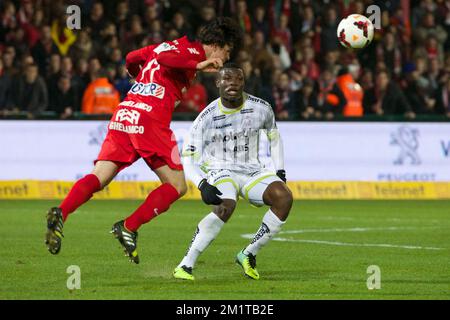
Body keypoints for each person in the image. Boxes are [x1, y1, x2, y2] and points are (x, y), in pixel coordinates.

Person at [45, 18, 243, 264]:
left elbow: (130, 58)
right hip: (150, 119)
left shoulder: (163, 46)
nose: (225, 58)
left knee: (100, 176)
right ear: (216, 45)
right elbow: (166, 61)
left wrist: (142, 81)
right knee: (177, 186)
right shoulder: (189, 52)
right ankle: (128, 227)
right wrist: (200, 64)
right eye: (226, 51)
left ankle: (61, 212)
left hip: (126, 112)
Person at [173, 63, 293, 281]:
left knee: (284, 197)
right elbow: (188, 157)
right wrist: (202, 184)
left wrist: (280, 171)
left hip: (252, 170)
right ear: (218, 83)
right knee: (226, 205)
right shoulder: (206, 117)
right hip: (220, 169)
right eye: (227, 79)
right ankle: (186, 264)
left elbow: (274, 139)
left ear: (243, 82)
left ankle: (248, 254)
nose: (233, 84)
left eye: (238, 79)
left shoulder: (262, 108)